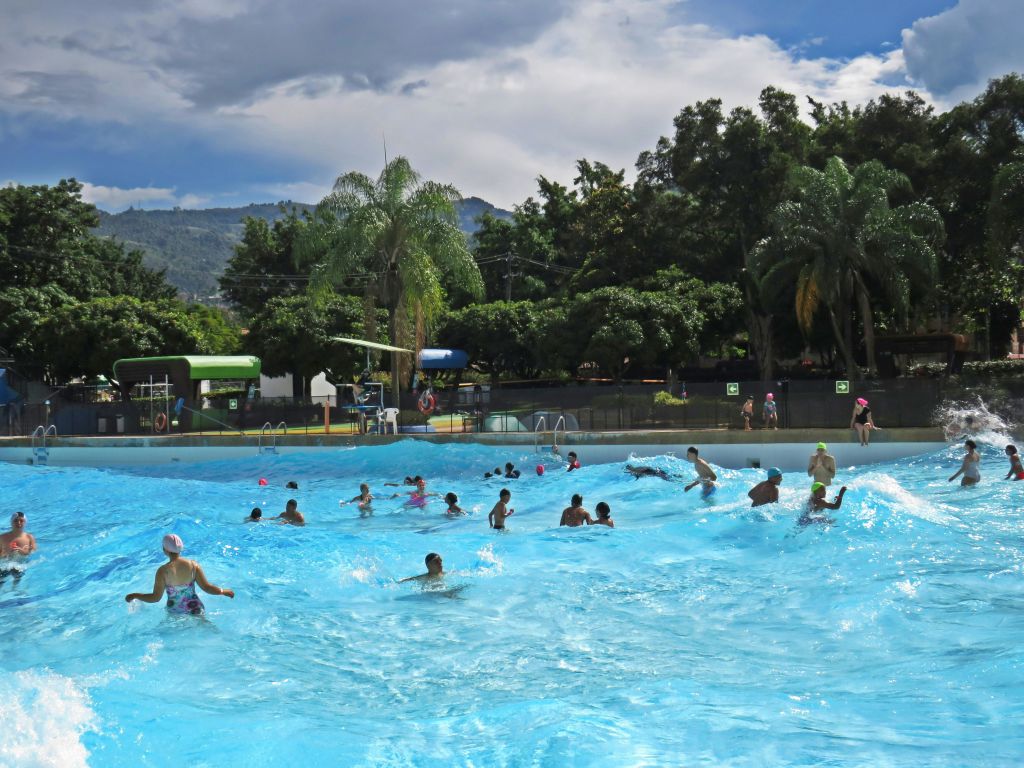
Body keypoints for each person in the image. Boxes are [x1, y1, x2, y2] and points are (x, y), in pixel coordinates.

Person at [124, 534, 234, 614]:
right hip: (195, 608)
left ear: (164, 550)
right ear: (180, 548)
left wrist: (135, 595)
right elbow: (207, 587)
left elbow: (155, 598)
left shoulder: (163, 571)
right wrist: (222, 591)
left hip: (175, 611)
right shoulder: (193, 565)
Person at [1, 511, 36, 583]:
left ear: (25, 522)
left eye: (21, 521)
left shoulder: (29, 537)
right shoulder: (2, 538)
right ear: (11, 522)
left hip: (20, 564)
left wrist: (21, 551)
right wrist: (5, 554)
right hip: (5, 564)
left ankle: (15, 591)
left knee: (18, 576)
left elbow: (33, 552)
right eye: (16, 520)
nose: (19, 523)